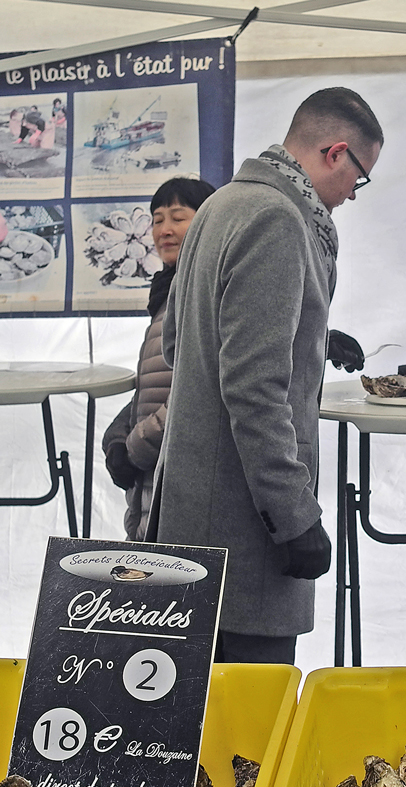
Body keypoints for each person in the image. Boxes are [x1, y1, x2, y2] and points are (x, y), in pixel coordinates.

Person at [151, 86, 383, 665]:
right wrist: (294, 516)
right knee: (249, 741)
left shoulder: (222, 205)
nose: (354, 194)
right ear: (335, 153)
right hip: (245, 532)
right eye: (360, 176)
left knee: (193, 733)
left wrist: (306, 338)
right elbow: (254, 390)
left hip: (191, 522)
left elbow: (184, 343)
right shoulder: (279, 219)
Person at [102, 176, 216, 541]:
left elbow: (195, 390)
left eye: (178, 217)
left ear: (208, 220)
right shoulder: (168, 292)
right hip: (153, 473)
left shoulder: (205, 289)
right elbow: (152, 384)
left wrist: (134, 447)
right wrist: (116, 438)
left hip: (179, 477)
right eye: (157, 219)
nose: (164, 230)